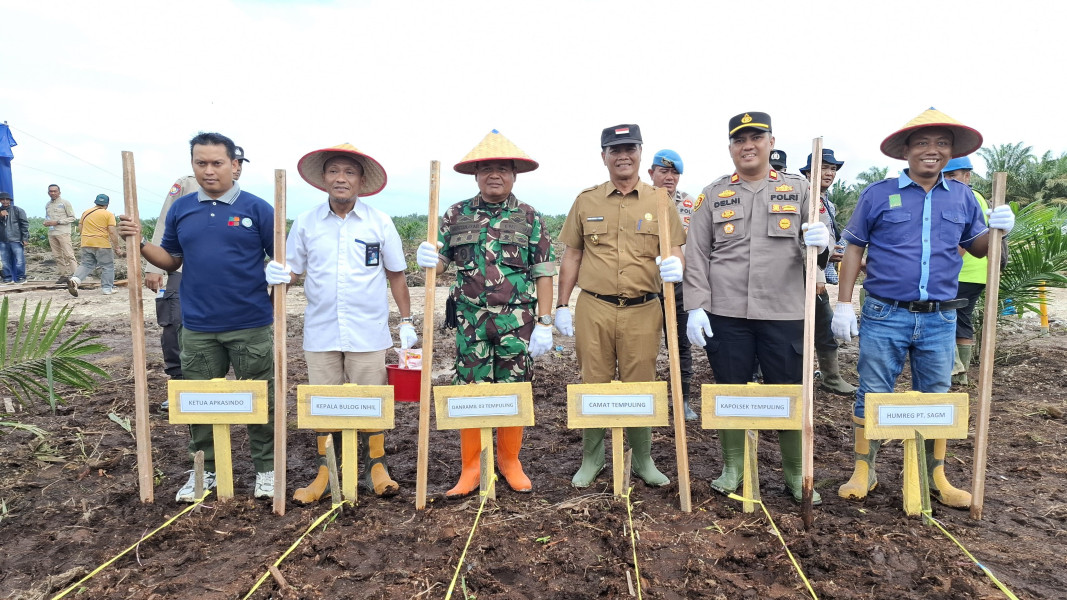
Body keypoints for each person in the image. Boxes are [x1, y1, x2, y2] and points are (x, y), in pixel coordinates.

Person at [832, 108, 1015, 508]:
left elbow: (982, 250)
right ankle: (866, 468)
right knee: (872, 393)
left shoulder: (964, 198)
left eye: (941, 144)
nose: (932, 151)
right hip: (885, 313)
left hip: (939, 318)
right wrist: (844, 304)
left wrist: (1001, 229)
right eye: (923, 143)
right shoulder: (877, 194)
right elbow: (854, 248)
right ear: (907, 151)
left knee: (937, 397)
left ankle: (936, 476)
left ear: (950, 153)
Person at [118, 132, 277, 503]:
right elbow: (172, 261)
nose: (208, 171)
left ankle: (266, 469)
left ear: (235, 166)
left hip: (250, 324)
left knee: (261, 400)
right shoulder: (182, 208)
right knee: (201, 401)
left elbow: (282, 260)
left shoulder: (257, 209)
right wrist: (139, 243)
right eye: (200, 163)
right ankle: (206, 470)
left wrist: (284, 276)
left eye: (217, 163)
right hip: (198, 326)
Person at [683, 112, 830, 503]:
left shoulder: (799, 189)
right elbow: (696, 255)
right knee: (730, 390)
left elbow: (817, 251)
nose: (747, 145)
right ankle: (733, 466)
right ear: (730, 147)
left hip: (785, 311)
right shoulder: (713, 194)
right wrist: (695, 307)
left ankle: (796, 473)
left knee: (789, 392)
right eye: (738, 140)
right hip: (726, 312)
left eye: (755, 137)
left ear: (770, 141)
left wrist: (822, 240)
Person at [268, 143, 417, 502]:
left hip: (368, 331)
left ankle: (376, 466)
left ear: (361, 181)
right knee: (324, 402)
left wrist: (407, 320)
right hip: (320, 332)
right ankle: (325, 470)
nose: (341, 178)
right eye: (334, 171)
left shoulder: (380, 222)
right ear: (323, 179)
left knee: (372, 400)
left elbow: (396, 274)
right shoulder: (305, 222)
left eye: (349, 172)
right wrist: (276, 278)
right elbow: (291, 272)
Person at [416, 130, 555, 496]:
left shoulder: (530, 217)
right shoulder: (456, 213)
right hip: (470, 320)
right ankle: (471, 468)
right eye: (487, 169)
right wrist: (429, 257)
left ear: (514, 175)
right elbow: (442, 264)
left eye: (502, 169)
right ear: (476, 175)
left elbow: (543, 272)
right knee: (471, 389)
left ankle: (510, 462)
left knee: (514, 389)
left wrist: (544, 321)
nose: (495, 174)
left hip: (517, 321)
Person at [556, 124, 686, 489]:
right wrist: (562, 304)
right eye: (614, 149)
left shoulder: (660, 201)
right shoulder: (586, 201)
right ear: (603, 156)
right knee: (593, 380)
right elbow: (573, 255)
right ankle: (592, 457)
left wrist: (677, 265)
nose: (622, 155)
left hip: (644, 308)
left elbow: (675, 250)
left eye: (629, 147)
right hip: (594, 306)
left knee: (641, 382)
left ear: (641, 152)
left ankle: (642, 457)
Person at [146, 146, 249, 384]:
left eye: (240, 163)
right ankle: (179, 380)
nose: (237, 168)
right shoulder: (187, 185)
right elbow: (164, 220)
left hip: (224, 278)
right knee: (175, 322)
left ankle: (216, 382)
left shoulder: (244, 200)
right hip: (182, 269)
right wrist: (154, 267)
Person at [799, 149, 856, 395]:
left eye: (832, 169)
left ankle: (830, 377)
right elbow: (804, 241)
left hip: (821, 266)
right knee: (819, 324)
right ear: (808, 172)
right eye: (823, 168)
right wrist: (819, 275)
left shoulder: (825, 200)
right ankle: (828, 378)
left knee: (823, 324)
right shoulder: (806, 197)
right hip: (806, 273)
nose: (829, 173)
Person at [648, 149, 698, 420]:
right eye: (664, 171)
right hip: (646, 286)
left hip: (680, 285)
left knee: (680, 344)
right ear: (651, 173)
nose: (670, 177)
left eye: (675, 172)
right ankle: (647, 400)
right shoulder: (639, 200)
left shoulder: (691, 203)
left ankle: (683, 399)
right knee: (644, 347)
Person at [942, 155, 989, 385]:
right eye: (945, 176)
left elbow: (962, 239)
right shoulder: (974, 196)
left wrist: (945, 266)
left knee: (946, 314)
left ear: (967, 176)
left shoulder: (965, 196)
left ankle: (955, 367)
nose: (948, 180)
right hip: (976, 273)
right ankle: (961, 376)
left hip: (962, 271)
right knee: (962, 319)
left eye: (953, 175)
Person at [67, 194, 125, 295]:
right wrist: (117, 246)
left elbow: (80, 227)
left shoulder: (86, 212)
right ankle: (107, 288)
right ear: (107, 204)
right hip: (102, 244)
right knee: (107, 266)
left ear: (95, 202)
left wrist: (87, 237)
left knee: (86, 264)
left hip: (86, 243)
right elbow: (112, 231)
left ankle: (75, 280)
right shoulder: (108, 214)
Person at [43, 184, 78, 285]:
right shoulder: (48, 205)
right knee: (57, 256)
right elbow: (48, 218)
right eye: (51, 191)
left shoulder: (65, 203)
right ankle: (64, 275)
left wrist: (58, 222)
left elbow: (72, 217)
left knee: (69, 254)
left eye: (55, 191)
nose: (53, 193)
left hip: (63, 232)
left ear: (59, 192)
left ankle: (75, 276)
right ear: (48, 192)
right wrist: (46, 223)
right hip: (52, 233)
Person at [0, 192, 30, 285]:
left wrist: (25, 238)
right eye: (3, 199)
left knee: (19, 260)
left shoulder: (17, 210)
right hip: (2, 240)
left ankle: (21, 277)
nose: (5, 201)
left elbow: (24, 224)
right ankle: (8, 278)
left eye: (7, 199)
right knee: (4, 261)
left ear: (10, 200)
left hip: (16, 239)